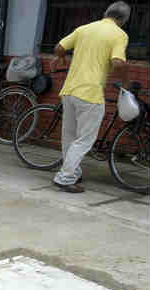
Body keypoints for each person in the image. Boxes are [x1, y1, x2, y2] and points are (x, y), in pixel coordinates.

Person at [49, 1, 131, 193]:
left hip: (69, 91)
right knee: (85, 139)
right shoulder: (119, 35)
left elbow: (59, 47)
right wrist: (126, 84)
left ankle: (73, 172)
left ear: (106, 13)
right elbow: (118, 63)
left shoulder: (84, 29)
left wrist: (61, 57)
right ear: (124, 20)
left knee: (69, 136)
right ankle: (65, 177)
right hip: (91, 93)